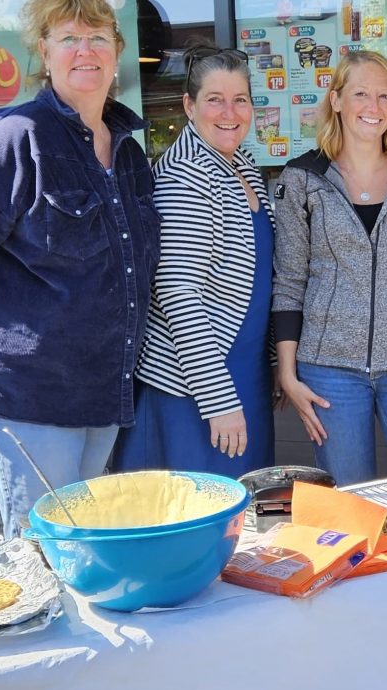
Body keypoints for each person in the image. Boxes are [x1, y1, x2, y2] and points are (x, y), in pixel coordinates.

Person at [0, 0, 161, 538]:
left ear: (116, 52)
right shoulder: (12, 138)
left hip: (101, 392)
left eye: (97, 37)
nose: (84, 50)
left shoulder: (128, 152)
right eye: (68, 38)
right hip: (27, 397)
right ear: (44, 54)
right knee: (45, 555)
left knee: (81, 549)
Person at [273, 50, 387, 486]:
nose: (373, 108)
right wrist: (287, 373)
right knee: (349, 504)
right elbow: (289, 282)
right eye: (361, 94)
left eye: (385, 96)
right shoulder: (302, 179)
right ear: (336, 100)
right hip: (328, 371)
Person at [112, 41, 278, 477]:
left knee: (245, 517)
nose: (230, 112)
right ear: (189, 105)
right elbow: (176, 292)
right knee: (195, 516)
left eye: (240, 100)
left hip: (246, 370)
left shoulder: (242, 164)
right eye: (215, 100)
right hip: (194, 387)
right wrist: (218, 400)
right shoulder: (185, 174)